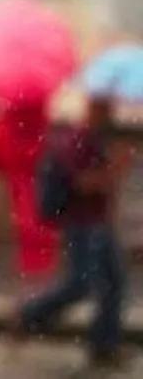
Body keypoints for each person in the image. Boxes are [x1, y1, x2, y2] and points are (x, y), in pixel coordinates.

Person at [16, 94, 133, 368]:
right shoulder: (78, 141)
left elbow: (103, 189)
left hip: (98, 223)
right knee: (81, 284)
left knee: (114, 282)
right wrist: (115, 170)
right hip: (82, 224)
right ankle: (31, 314)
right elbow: (82, 184)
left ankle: (105, 345)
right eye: (105, 109)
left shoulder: (96, 141)